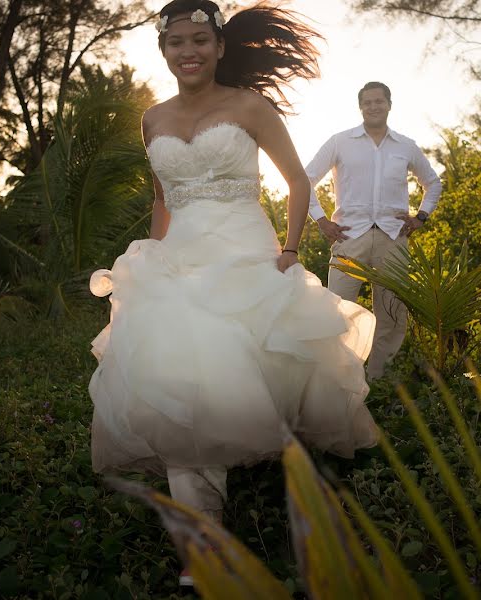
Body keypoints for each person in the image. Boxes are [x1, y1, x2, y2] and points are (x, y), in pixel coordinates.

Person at [86, 0, 378, 586]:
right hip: (182, 255)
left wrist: (291, 252)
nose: (187, 52)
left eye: (199, 40)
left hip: (247, 250)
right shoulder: (152, 118)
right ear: (164, 52)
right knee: (180, 371)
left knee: (266, 369)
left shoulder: (250, 106)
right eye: (176, 44)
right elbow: (164, 197)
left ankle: (295, 484)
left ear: (219, 47)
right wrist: (154, 255)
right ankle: (206, 541)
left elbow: (297, 181)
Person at [304, 82, 443, 379]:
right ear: (360, 107)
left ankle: (379, 380)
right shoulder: (340, 142)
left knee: (392, 314)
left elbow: (433, 182)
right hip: (348, 236)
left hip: (394, 238)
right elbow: (305, 180)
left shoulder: (405, 145)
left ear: (390, 104)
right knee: (337, 311)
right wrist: (321, 220)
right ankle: (341, 377)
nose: (373, 106)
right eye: (367, 102)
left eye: (379, 101)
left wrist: (421, 217)